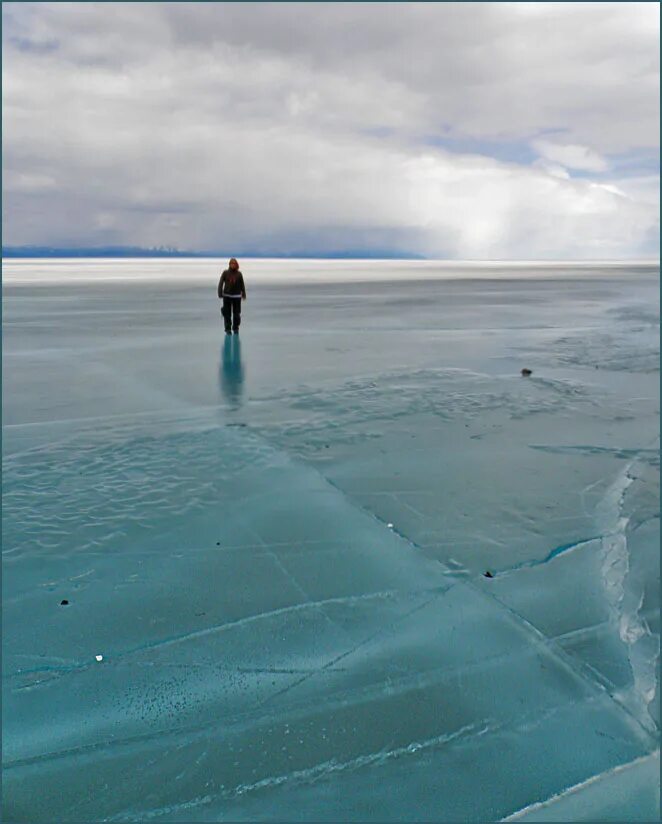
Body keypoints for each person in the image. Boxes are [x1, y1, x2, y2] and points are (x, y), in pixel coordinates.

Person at [217, 258, 247, 334]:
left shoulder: (239, 274)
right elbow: (221, 283)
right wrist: (220, 293)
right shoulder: (225, 273)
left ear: (236, 265)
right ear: (229, 264)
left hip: (236, 297)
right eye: (231, 263)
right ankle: (228, 329)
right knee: (227, 314)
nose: (233, 265)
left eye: (234, 263)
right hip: (227, 296)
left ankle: (236, 328)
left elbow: (242, 284)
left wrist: (244, 294)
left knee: (236, 314)